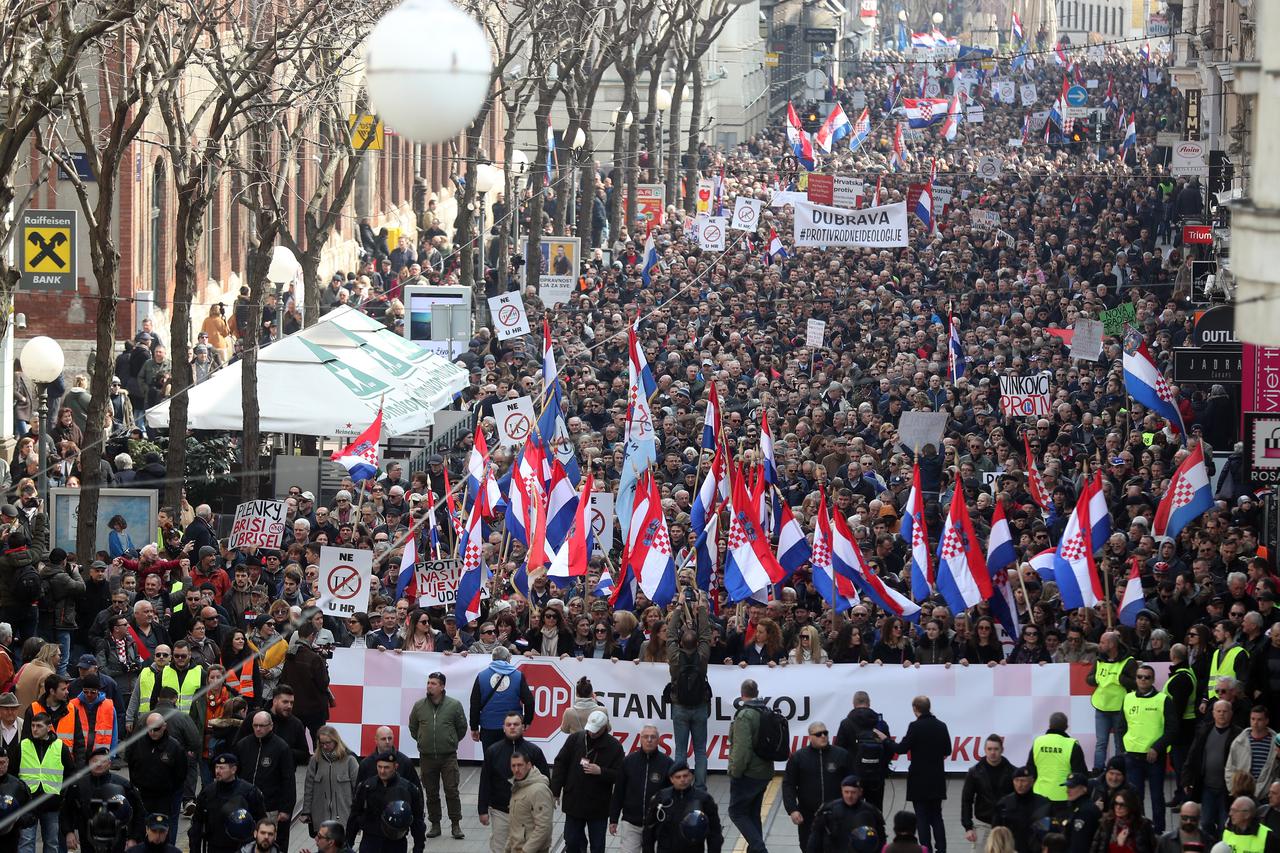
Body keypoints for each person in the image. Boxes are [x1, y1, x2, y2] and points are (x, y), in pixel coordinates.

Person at [880, 695, 952, 853]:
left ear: (915, 709)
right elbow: (947, 750)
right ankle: (942, 850)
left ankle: (926, 849)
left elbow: (901, 749)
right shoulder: (942, 725)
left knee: (922, 819)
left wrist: (886, 740)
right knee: (937, 818)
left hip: (919, 780)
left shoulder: (915, 726)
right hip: (937, 779)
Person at [549, 710, 624, 853]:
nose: (591, 733)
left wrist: (601, 771)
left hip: (598, 805)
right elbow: (560, 763)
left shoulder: (614, 747)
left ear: (604, 728)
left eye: (595, 731)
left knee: (597, 845)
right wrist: (556, 790)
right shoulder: (576, 739)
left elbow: (620, 776)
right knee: (571, 839)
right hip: (574, 801)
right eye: (590, 730)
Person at [1116, 665, 1178, 832]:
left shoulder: (1163, 700)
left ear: (1153, 679)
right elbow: (1120, 727)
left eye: (1147, 677)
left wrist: (1157, 748)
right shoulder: (1127, 698)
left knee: (1157, 796)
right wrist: (1123, 749)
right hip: (1132, 756)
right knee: (1135, 798)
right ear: (1135, 678)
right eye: (1140, 677)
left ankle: (1158, 831)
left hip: (1154, 756)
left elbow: (1173, 729)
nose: (1143, 680)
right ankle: (1138, 830)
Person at [406, 671, 467, 840]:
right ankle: (435, 824)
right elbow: (413, 727)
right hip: (426, 757)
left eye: (433, 683)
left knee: (451, 790)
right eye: (428, 682)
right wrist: (421, 739)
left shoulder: (454, 705)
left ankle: (456, 824)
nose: (429, 686)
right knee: (431, 792)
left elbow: (462, 728)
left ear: (442, 687)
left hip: (448, 756)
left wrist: (450, 740)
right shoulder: (419, 706)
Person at [479, 713, 548, 853]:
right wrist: (482, 810)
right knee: (500, 848)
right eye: (509, 724)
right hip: (501, 811)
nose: (512, 727)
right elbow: (485, 780)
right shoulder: (493, 751)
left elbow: (545, 780)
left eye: (516, 724)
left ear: (523, 727)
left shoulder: (534, 751)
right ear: (503, 728)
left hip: (528, 813)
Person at [666, 586, 711, 790]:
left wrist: (678, 607)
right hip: (700, 705)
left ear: (680, 643)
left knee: (680, 751)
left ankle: (680, 784)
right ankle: (700, 787)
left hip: (680, 705)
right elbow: (705, 633)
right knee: (701, 750)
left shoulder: (674, 656)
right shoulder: (703, 655)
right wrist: (701, 607)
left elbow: (669, 634)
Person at [62, 746, 145, 853]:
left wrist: (134, 838)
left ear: (109, 764)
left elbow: (139, 812)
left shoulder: (123, 785)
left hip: (117, 838)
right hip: (87, 838)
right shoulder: (78, 785)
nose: (99, 764)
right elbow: (66, 810)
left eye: (103, 761)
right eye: (95, 761)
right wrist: (69, 832)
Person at [783, 721, 852, 851]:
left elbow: (852, 782)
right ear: (810, 737)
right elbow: (789, 784)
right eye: (818, 734)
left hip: (837, 815)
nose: (823, 736)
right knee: (808, 847)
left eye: (825, 733)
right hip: (808, 816)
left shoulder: (841, 755)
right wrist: (792, 809)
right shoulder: (798, 758)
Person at [234, 712, 296, 850]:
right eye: (255, 725)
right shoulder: (243, 745)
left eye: (262, 726)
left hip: (270, 807)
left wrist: (286, 809)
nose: (258, 729)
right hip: (246, 806)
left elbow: (288, 780)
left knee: (267, 843)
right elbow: (236, 776)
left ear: (271, 726)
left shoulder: (281, 747)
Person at [727, 679, 774, 853]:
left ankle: (759, 848)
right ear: (757, 692)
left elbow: (742, 748)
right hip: (765, 771)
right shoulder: (765, 710)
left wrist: (735, 772)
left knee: (736, 812)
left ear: (742, 695)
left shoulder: (745, 715)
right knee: (753, 813)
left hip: (749, 773)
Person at [609, 725, 672, 853]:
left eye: (653, 737)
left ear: (658, 740)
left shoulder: (667, 763)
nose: (649, 740)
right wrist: (613, 819)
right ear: (640, 739)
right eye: (645, 737)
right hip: (631, 823)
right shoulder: (628, 762)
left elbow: (674, 795)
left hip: (657, 824)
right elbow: (618, 793)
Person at [345, 752, 425, 853]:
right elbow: (354, 816)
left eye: (386, 767)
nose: (382, 771)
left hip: (395, 843)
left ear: (396, 766)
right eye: (379, 767)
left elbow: (417, 821)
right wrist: (348, 843)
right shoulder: (367, 787)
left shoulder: (408, 789)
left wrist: (418, 847)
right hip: (370, 841)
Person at [17, 712, 73, 853]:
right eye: (33, 725)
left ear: (49, 728)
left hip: (51, 803)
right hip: (28, 803)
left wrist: (61, 796)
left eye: (39, 726)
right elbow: (13, 774)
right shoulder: (23, 745)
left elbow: (70, 774)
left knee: (52, 843)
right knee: (26, 843)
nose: (34, 729)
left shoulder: (60, 747)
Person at [1183, 700, 1242, 835]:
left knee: (1224, 824)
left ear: (1231, 714)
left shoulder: (1238, 735)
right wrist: (1186, 780)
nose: (1222, 714)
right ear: (1213, 713)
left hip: (1227, 789)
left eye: (1225, 711)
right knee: (1206, 823)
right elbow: (1192, 756)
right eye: (1219, 711)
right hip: (1207, 787)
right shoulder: (1204, 731)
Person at [125, 712, 188, 835]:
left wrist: (170, 789)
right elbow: (131, 764)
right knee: (140, 828)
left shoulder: (174, 747)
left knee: (163, 829)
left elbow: (181, 773)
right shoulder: (137, 744)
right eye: (149, 729)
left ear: (164, 726)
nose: (152, 733)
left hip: (164, 797)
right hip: (142, 795)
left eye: (156, 729)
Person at [641, 760, 723, 853]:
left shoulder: (703, 799)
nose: (682, 780)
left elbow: (714, 832)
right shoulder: (662, 798)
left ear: (691, 776)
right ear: (671, 779)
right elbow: (649, 830)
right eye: (678, 777)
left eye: (685, 776)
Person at [1087, 632, 1137, 773]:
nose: (1099, 645)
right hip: (1102, 707)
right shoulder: (1099, 660)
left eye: (1102, 642)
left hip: (1119, 709)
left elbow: (1137, 683)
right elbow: (1089, 679)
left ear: (1112, 644)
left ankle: (1118, 769)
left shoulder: (1129, 661)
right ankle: (1097, 770)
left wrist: (1123, 680)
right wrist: (1095, 679)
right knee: (1101, 742)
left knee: (1119, 743)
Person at [469, 647, 533, 753]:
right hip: (512, 727)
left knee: (491, 761)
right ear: (507, 658)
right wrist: (527, 721)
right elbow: (529, 701)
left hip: (488, 727)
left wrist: (474, 727)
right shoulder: (518, 676)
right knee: (511, 762)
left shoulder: (481, 676)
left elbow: (475, 704)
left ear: (493, 658)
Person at [835, 691, 891, 812]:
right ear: (869, 703)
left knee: (852, 812)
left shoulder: (846, 723)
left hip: (853, 776)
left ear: (853, 704)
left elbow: (839, 750)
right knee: (875, 811)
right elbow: (889, 748)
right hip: (876, 776)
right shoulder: (880, 724)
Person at [961, 734, 1016, 853]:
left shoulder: (1013, 772)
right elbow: (966, 800)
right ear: (985, 750)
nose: (992, 752)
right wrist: (968, 827)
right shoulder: (974, 772)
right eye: (989, 749)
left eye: (996, 749)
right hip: (983, 824)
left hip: (1006, 826)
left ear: (1002, 750)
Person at [302, 727, 360, 835]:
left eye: (328, 743)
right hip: (321, 818)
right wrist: (306, 811)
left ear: (336, 741)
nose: (324, 746)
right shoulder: (315, 761)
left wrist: (358, 814)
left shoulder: (350, 760)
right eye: (322, 743)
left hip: (344, 818)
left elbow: (358, 789)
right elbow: (308, 788)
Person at [805, 775, 885, 853]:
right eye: (846, 792)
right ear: (841, 791)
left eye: (853, 792)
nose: (849, 796)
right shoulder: (829, 810)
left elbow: (881, 840)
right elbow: (815, 839)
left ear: (860, 792)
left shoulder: (871, 812)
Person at [279, 621, 330, 742]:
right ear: (312, 635)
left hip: (294, 708)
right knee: (319, 743)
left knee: (295, 743)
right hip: (315, 709)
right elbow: (323, 683)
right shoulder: (315, 658)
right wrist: (324, 665)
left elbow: (283, 679)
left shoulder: (290, 656)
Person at [1028, 712, 1088, 805]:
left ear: (1049, 725)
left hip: (1039, 796)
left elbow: (1030, 771)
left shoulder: (1038, 742)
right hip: (1065, 797)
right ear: (1066, 727)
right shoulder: (1072, 745)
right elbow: (1080, 775)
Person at [992, 768, 1052, 853]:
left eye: (1023, 781)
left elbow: (1047, 832)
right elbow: (996, 831)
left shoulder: (1043, 804)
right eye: (1016, 780)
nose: (1019, 784)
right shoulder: (1004, 804)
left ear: (1032, 782)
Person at [504, 750, 554, 853]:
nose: (516, 769)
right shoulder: (518, 786)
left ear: (529, 765)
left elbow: (544, 827)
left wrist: (526, 850)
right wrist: (508, 848)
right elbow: (516, 823)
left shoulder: (539, 790)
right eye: (513, 766)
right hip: (517, 848)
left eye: (520, 765)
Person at [1089, 789, 1156, 853]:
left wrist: (1121, 846)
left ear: (1131, 805)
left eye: (1122, 804)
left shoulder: (1143, 825)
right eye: (1116, 803)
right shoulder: (1106, 823)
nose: (1118, 807)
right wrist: (1119, 845)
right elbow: (1095, 848)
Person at [355, 728, 419, 792]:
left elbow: (416, 791)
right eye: (383, 739)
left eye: (390, 738)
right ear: (376, 740)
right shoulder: (366, 764)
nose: (387, 742)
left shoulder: (405, 762)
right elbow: (359, 792)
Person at [1060, 774, 1102, 853]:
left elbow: (1079, 846)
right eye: (1067, 787)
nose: (1067, 790)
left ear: (1084, 789)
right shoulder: (1076, 807)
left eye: (1072, 787)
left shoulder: (1085, 811)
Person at [0, 750, 31, 853]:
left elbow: (31, 814)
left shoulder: (18, 786)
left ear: (7, 762)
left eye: (2, 762)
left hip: (9, 841)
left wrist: (17, 819)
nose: (0, 766)